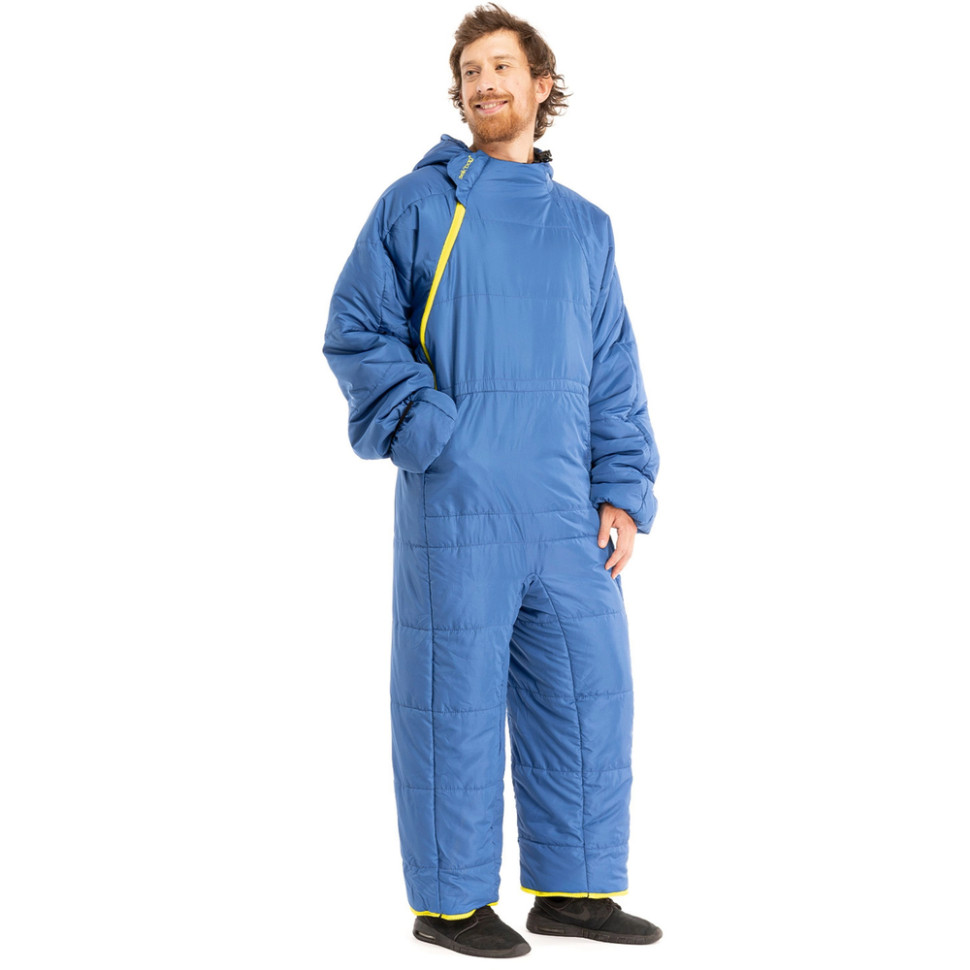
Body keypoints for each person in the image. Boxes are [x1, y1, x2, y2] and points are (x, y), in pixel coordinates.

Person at [323, 3, 661, 958]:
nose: (485, 84)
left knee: (587, 697)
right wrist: (429, 428)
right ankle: (450, 905)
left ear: (542, 85)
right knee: (450, 704)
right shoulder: (419, 203)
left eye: (503, 67)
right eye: (471, 71)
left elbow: (613, 368)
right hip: (460, 503)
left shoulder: (585, 227)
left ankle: (576, 891)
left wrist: (622, 487)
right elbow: (356, 326)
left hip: (566, 511)